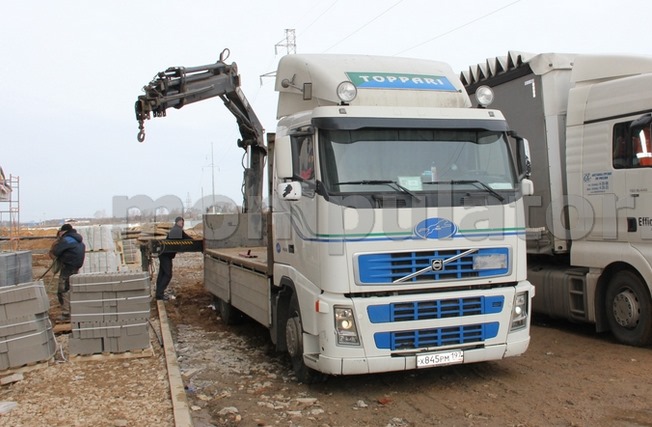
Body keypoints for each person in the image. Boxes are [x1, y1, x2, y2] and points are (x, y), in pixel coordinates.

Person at [49, 223, 85, 320]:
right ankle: (74, 310)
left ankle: (66, 313)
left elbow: (56, 251)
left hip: (68, 267)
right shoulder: (78, 239)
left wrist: (58, 242)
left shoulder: (67, 240)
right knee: (71, 288)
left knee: (63, 289)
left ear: (63, 231)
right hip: (75, 267)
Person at [155, 216, 191, 301]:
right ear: (177, 222)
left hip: (164, 255)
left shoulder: (176, 230)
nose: (182, 224)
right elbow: (189, 239)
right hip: (166, 255)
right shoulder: (177, 230)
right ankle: (159, 294)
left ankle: (158, 293)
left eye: (183, 223)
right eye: (181, 223)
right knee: (168, 274)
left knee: (162, 274)